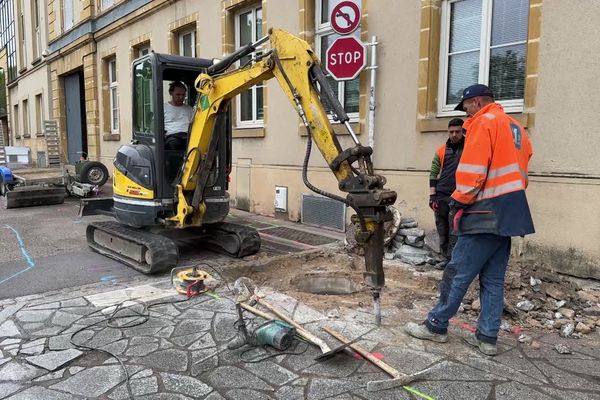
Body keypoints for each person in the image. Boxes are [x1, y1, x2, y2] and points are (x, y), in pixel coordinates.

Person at [405, 84, 534, 356]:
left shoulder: (483, 123)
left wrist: (459, 201)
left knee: (457, 273)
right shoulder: (515, 127)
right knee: (494, 280)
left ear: (476, 102)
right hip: (510, 212)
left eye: (465, 107)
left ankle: (435, 326)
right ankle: (487, 338)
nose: (465, 115)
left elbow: (474, 169)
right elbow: (524, 166)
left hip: (483, 211)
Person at [429, 118, 465, 266]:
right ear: (448, 132)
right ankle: (445, 257)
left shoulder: (470, 148)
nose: (454, 134)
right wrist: (432, 196)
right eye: (451, 132)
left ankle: (454, 260)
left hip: (459, 196)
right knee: (442, 228)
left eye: (457, 131)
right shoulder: (441, 151)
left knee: (455, 230)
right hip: (441, 196)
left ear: (463, 131)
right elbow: (433, 174)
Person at [164, 81, 193, 150]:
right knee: (175, 144)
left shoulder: (189, 109)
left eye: (183, 95)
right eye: (178, 94)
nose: (181, 97)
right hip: (172, 137)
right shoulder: (163, 108)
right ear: (171, 93)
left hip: (187, 136)